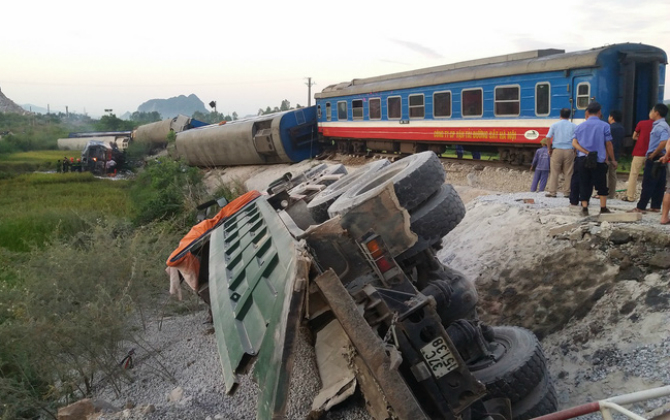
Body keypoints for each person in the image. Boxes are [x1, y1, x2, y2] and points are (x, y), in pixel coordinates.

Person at [572, 102, 616, 216]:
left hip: (582, 159)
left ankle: (585, 208)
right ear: (599, 112)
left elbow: (574, 143)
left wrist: (585, 151)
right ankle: (603, 208)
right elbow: (608, 144)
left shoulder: (579, 126)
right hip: (598, 160)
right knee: (601, 184)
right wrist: (613, 159)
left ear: (587, 112)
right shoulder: (605, 126)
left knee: (584, 183)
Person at [631, 103, 669, 215]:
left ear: (656, 112)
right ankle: (655, 206)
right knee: (659, 183)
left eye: (652, 110)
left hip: (656, 157)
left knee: (648, 182)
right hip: (662, 157)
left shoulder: (660, 126)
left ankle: (640, 207)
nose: (650, 113)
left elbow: (664, 141)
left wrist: (654, 153)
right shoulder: (664, 125)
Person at [546, 108, 577, 198]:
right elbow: (577, 138)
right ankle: (567, 192)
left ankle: (552, 192)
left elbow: (548, 137)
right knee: (568, 172)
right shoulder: (574, 126)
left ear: (560, 115)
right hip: (569, 150)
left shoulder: (554, 125)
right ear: (569, 115)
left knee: (554, 172)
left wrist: (549, 149)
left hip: (557, 150)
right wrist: (574, 150)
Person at [624, 118, 654, 202]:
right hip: (652, 154)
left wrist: (641, 138)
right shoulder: (659, 125)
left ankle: (630, 196)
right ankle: (648, 198)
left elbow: (634, 136)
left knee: (634, 174)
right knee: (650, 176)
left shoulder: (641, 123)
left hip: (639, 152)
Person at [607, 110, 625, 199]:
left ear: (612, 117)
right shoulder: (622, 128)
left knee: (605, 175)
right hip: (616, 152)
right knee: (613, 175)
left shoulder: (609, 128)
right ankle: (611, 193)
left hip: (607, 153)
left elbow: (607, 142)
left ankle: (603, 193)